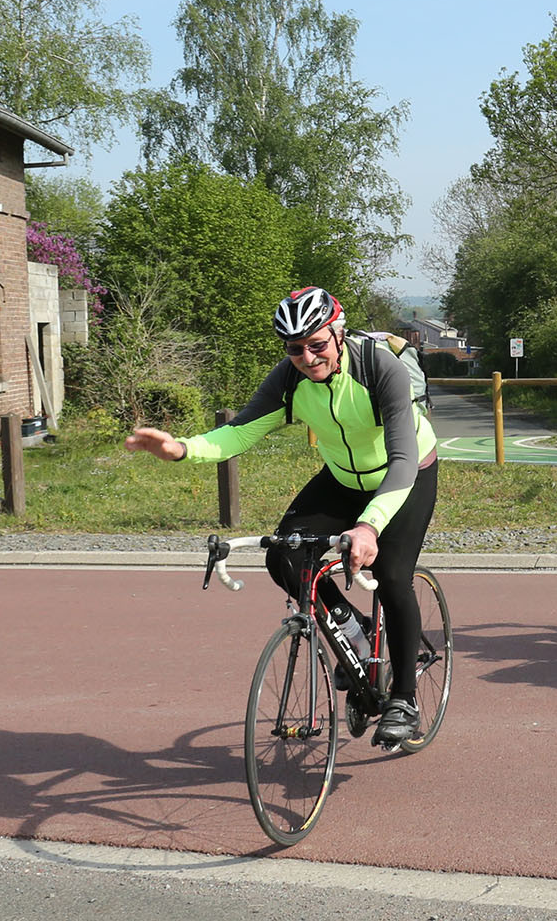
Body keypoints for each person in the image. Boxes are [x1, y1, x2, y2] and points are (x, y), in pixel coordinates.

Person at [125, 286, 438, 747]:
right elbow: (238, 432)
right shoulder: (289, 380)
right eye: (295, 349)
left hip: (405, 475)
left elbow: (402, 459)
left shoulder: (379, 368)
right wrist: (181, 449)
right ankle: (356, 632)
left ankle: (404, 699)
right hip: (343, 479)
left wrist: (369, 526)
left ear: (338, 332)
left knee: (392, 576)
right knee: (285, 556)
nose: (308, 357)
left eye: (317, 344)